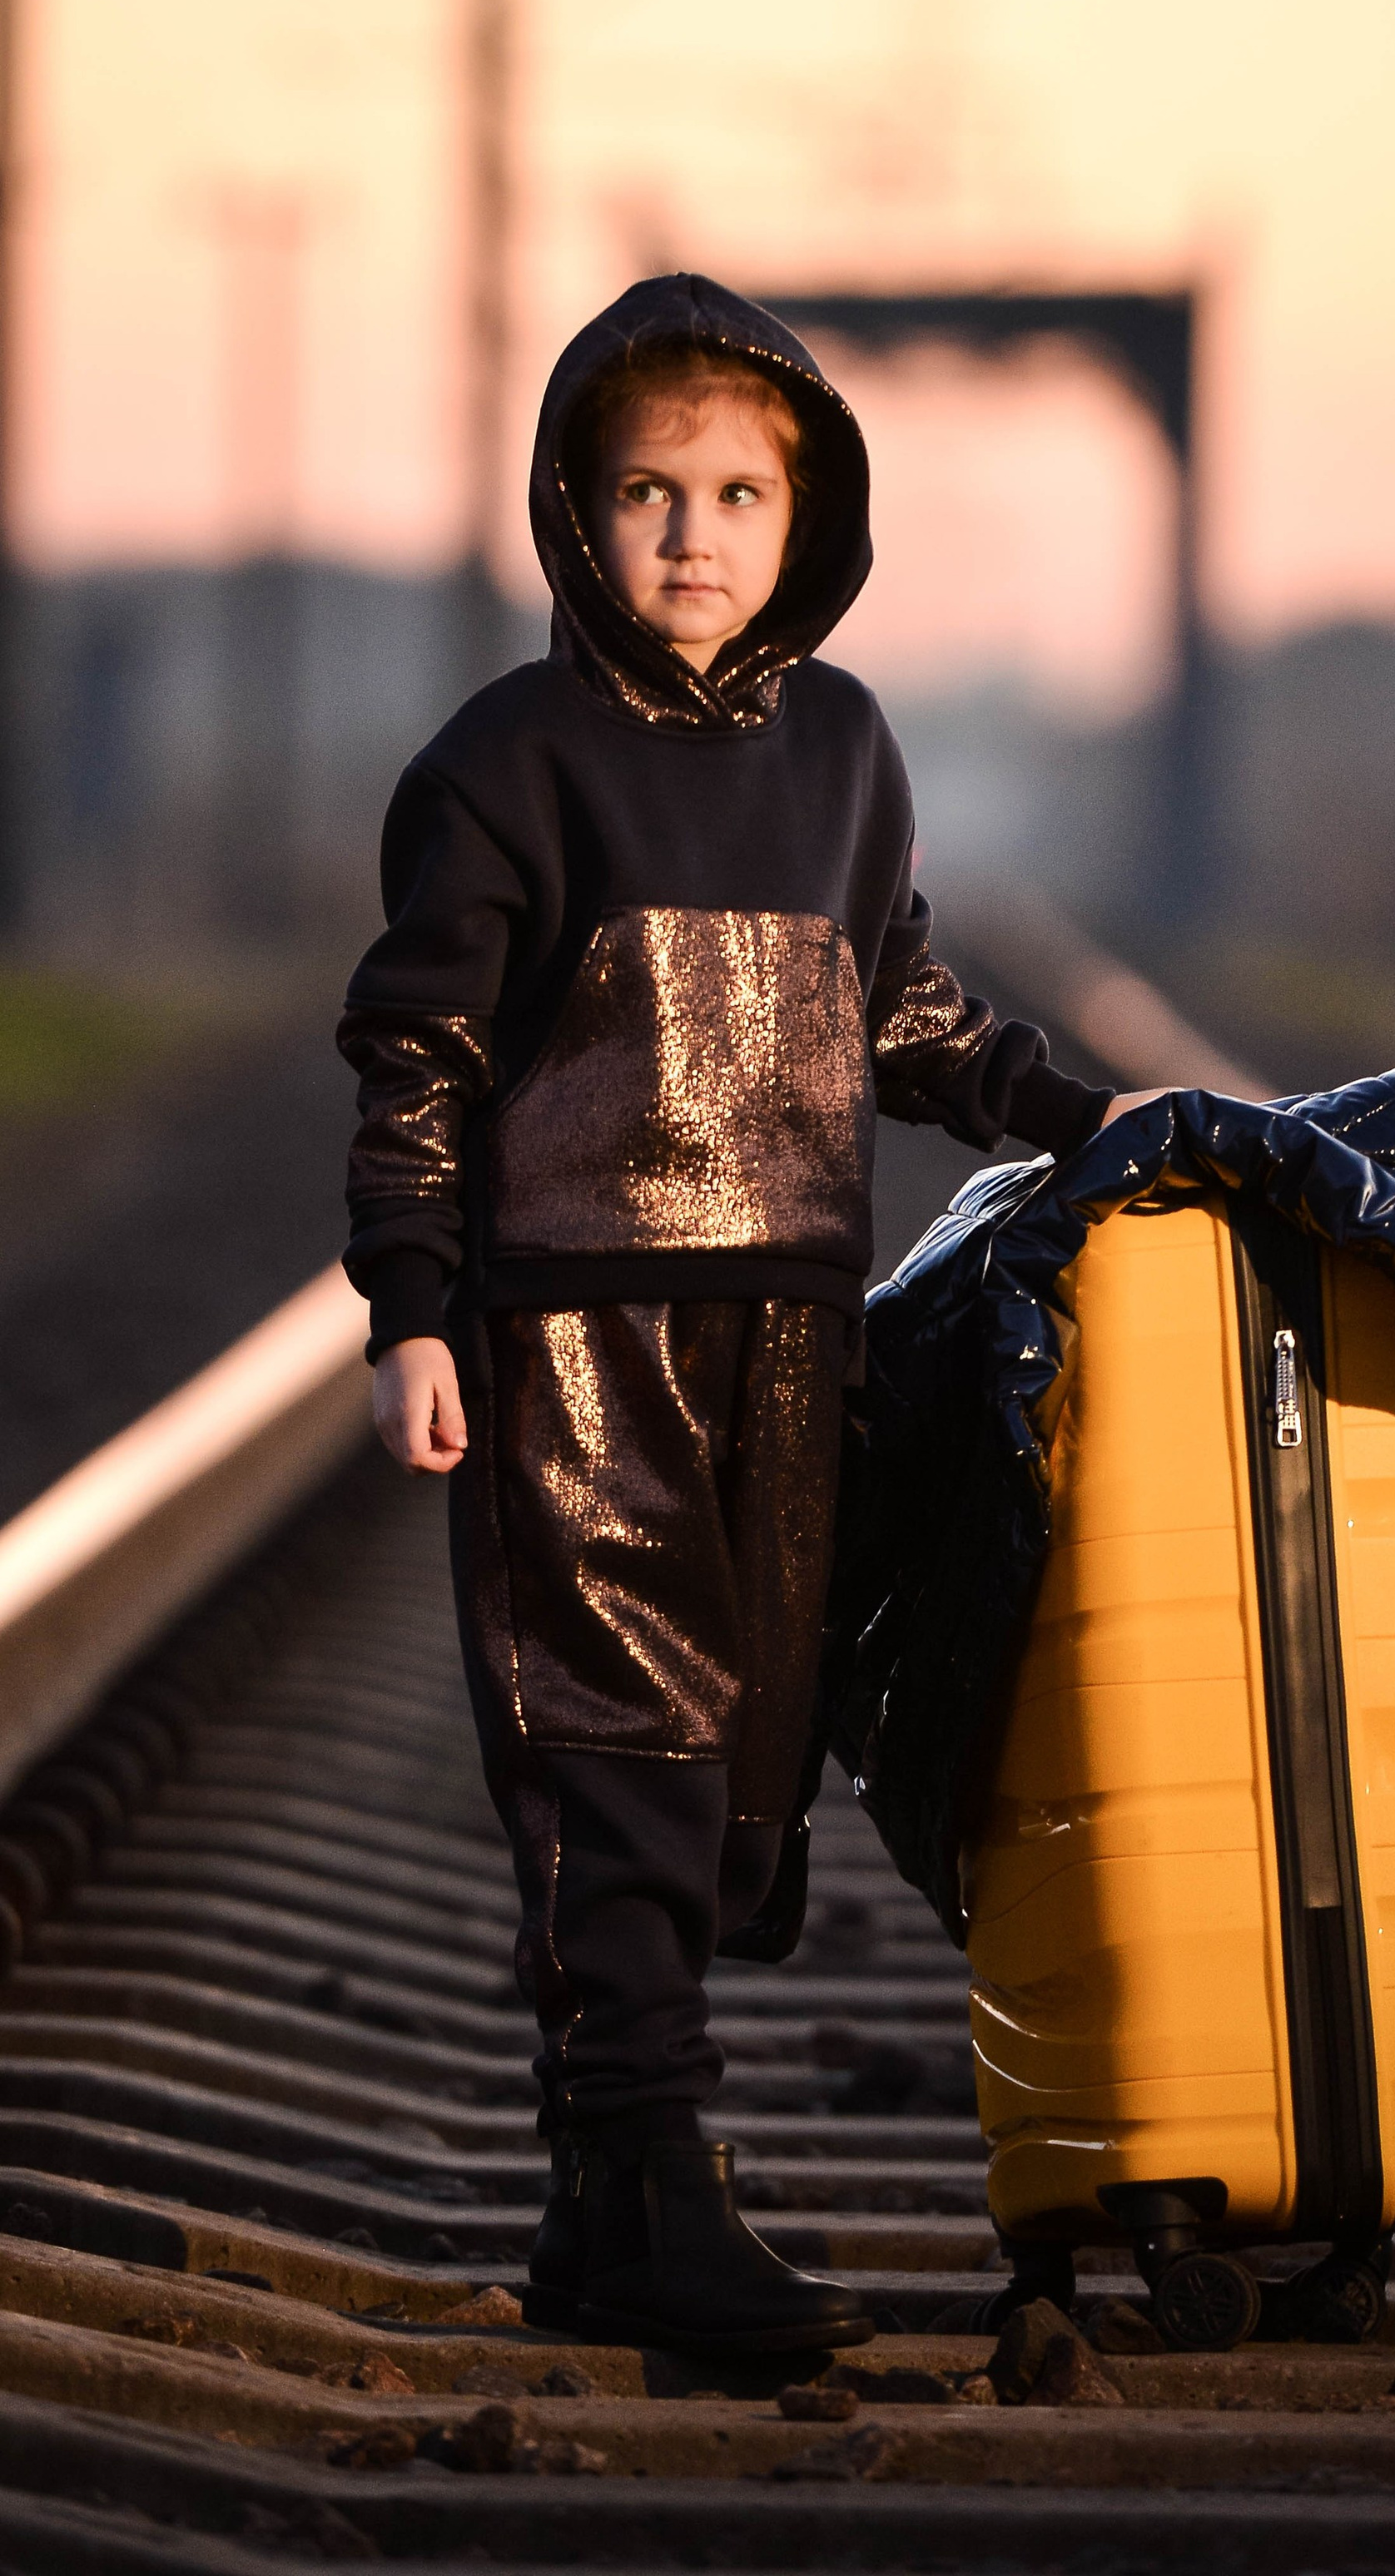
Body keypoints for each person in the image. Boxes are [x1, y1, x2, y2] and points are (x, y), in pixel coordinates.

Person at [337, 271, 1118, 2356]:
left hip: (792, 1332)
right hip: (571, 1342)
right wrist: (418, 1309)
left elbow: (901, 1007)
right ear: (570, 513)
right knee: (621, 1757)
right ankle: (658, 2189)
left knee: (746, 1757)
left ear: (808, 515)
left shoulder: (843, 754)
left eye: (739, 492)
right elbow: (416, 1056)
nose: (692, 532)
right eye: (645, 491)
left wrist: (1086, 1117)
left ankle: (603, 2219)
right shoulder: (504, 765)